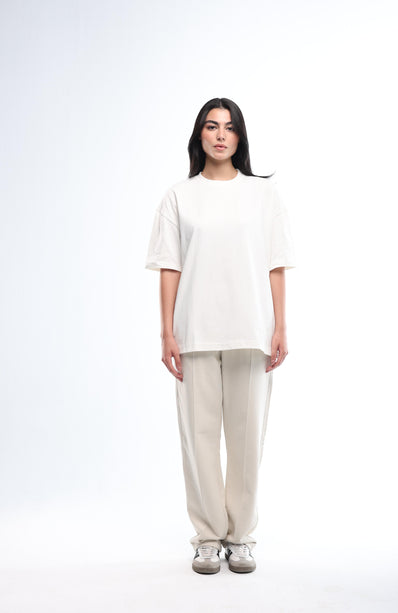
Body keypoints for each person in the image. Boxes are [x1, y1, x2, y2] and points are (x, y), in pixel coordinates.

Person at [145, 97, 296, 574]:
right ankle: (209, 536)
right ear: (200, 135)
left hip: (251, 329)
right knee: (200, 437)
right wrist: (166, 331)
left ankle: (241, 536)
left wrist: (280, 325)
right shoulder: (179, 196)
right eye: (211, 127)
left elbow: (275, 264)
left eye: (229, 127)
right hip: (194, 331)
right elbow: (169, 265)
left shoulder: (263, 195)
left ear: (240, 137)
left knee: (247, 439)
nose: (220, 135)